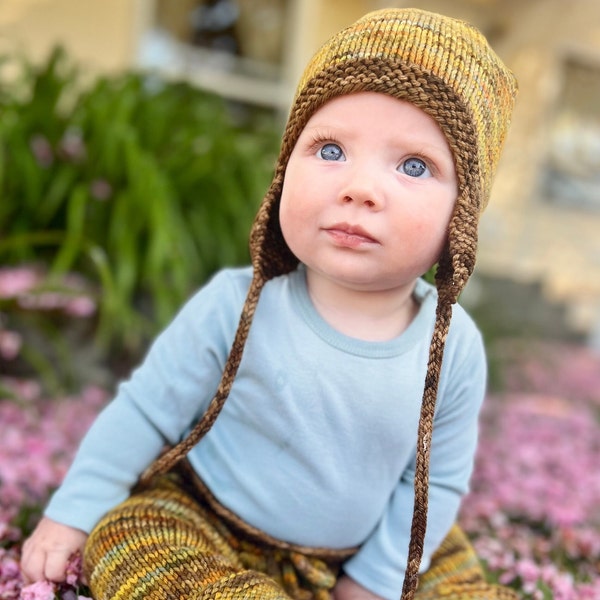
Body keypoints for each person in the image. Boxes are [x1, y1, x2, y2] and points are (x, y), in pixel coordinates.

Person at [21, 8, 519, 600]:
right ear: (285, 169)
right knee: (128, 537)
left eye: (414, 166)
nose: (359, 188)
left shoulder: (454, 348)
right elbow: (147, 410)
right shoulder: (238, 303)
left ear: (460, 219)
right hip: (210, 519)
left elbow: (432, 481)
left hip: (366, 548)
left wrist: (373, 581)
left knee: (453, 577)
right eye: (330, 150)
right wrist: (76, 511)